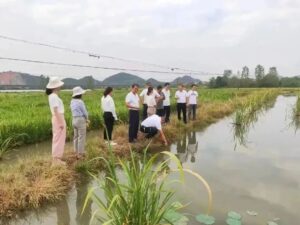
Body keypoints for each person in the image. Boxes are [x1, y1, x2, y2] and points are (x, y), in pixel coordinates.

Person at [46, 76, 66, 165]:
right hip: (58, 118)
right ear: (56, 86)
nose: (60, 87)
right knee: (59, 138)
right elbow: (55, 110)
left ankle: (56, 158)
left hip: (58, 117)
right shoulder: (53, 96)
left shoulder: (52, 96)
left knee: (57, 138)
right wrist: (61, 122)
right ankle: (56, 159)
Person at [70, 86, 89, 159]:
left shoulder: (72, 101)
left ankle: (76, 151)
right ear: (80, 94)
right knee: (81, 137)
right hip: (80, 120)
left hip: (74, 119)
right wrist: (87, 118)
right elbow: (84, 112)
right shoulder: (80, 102)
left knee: (76, 136)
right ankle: (80, 154)